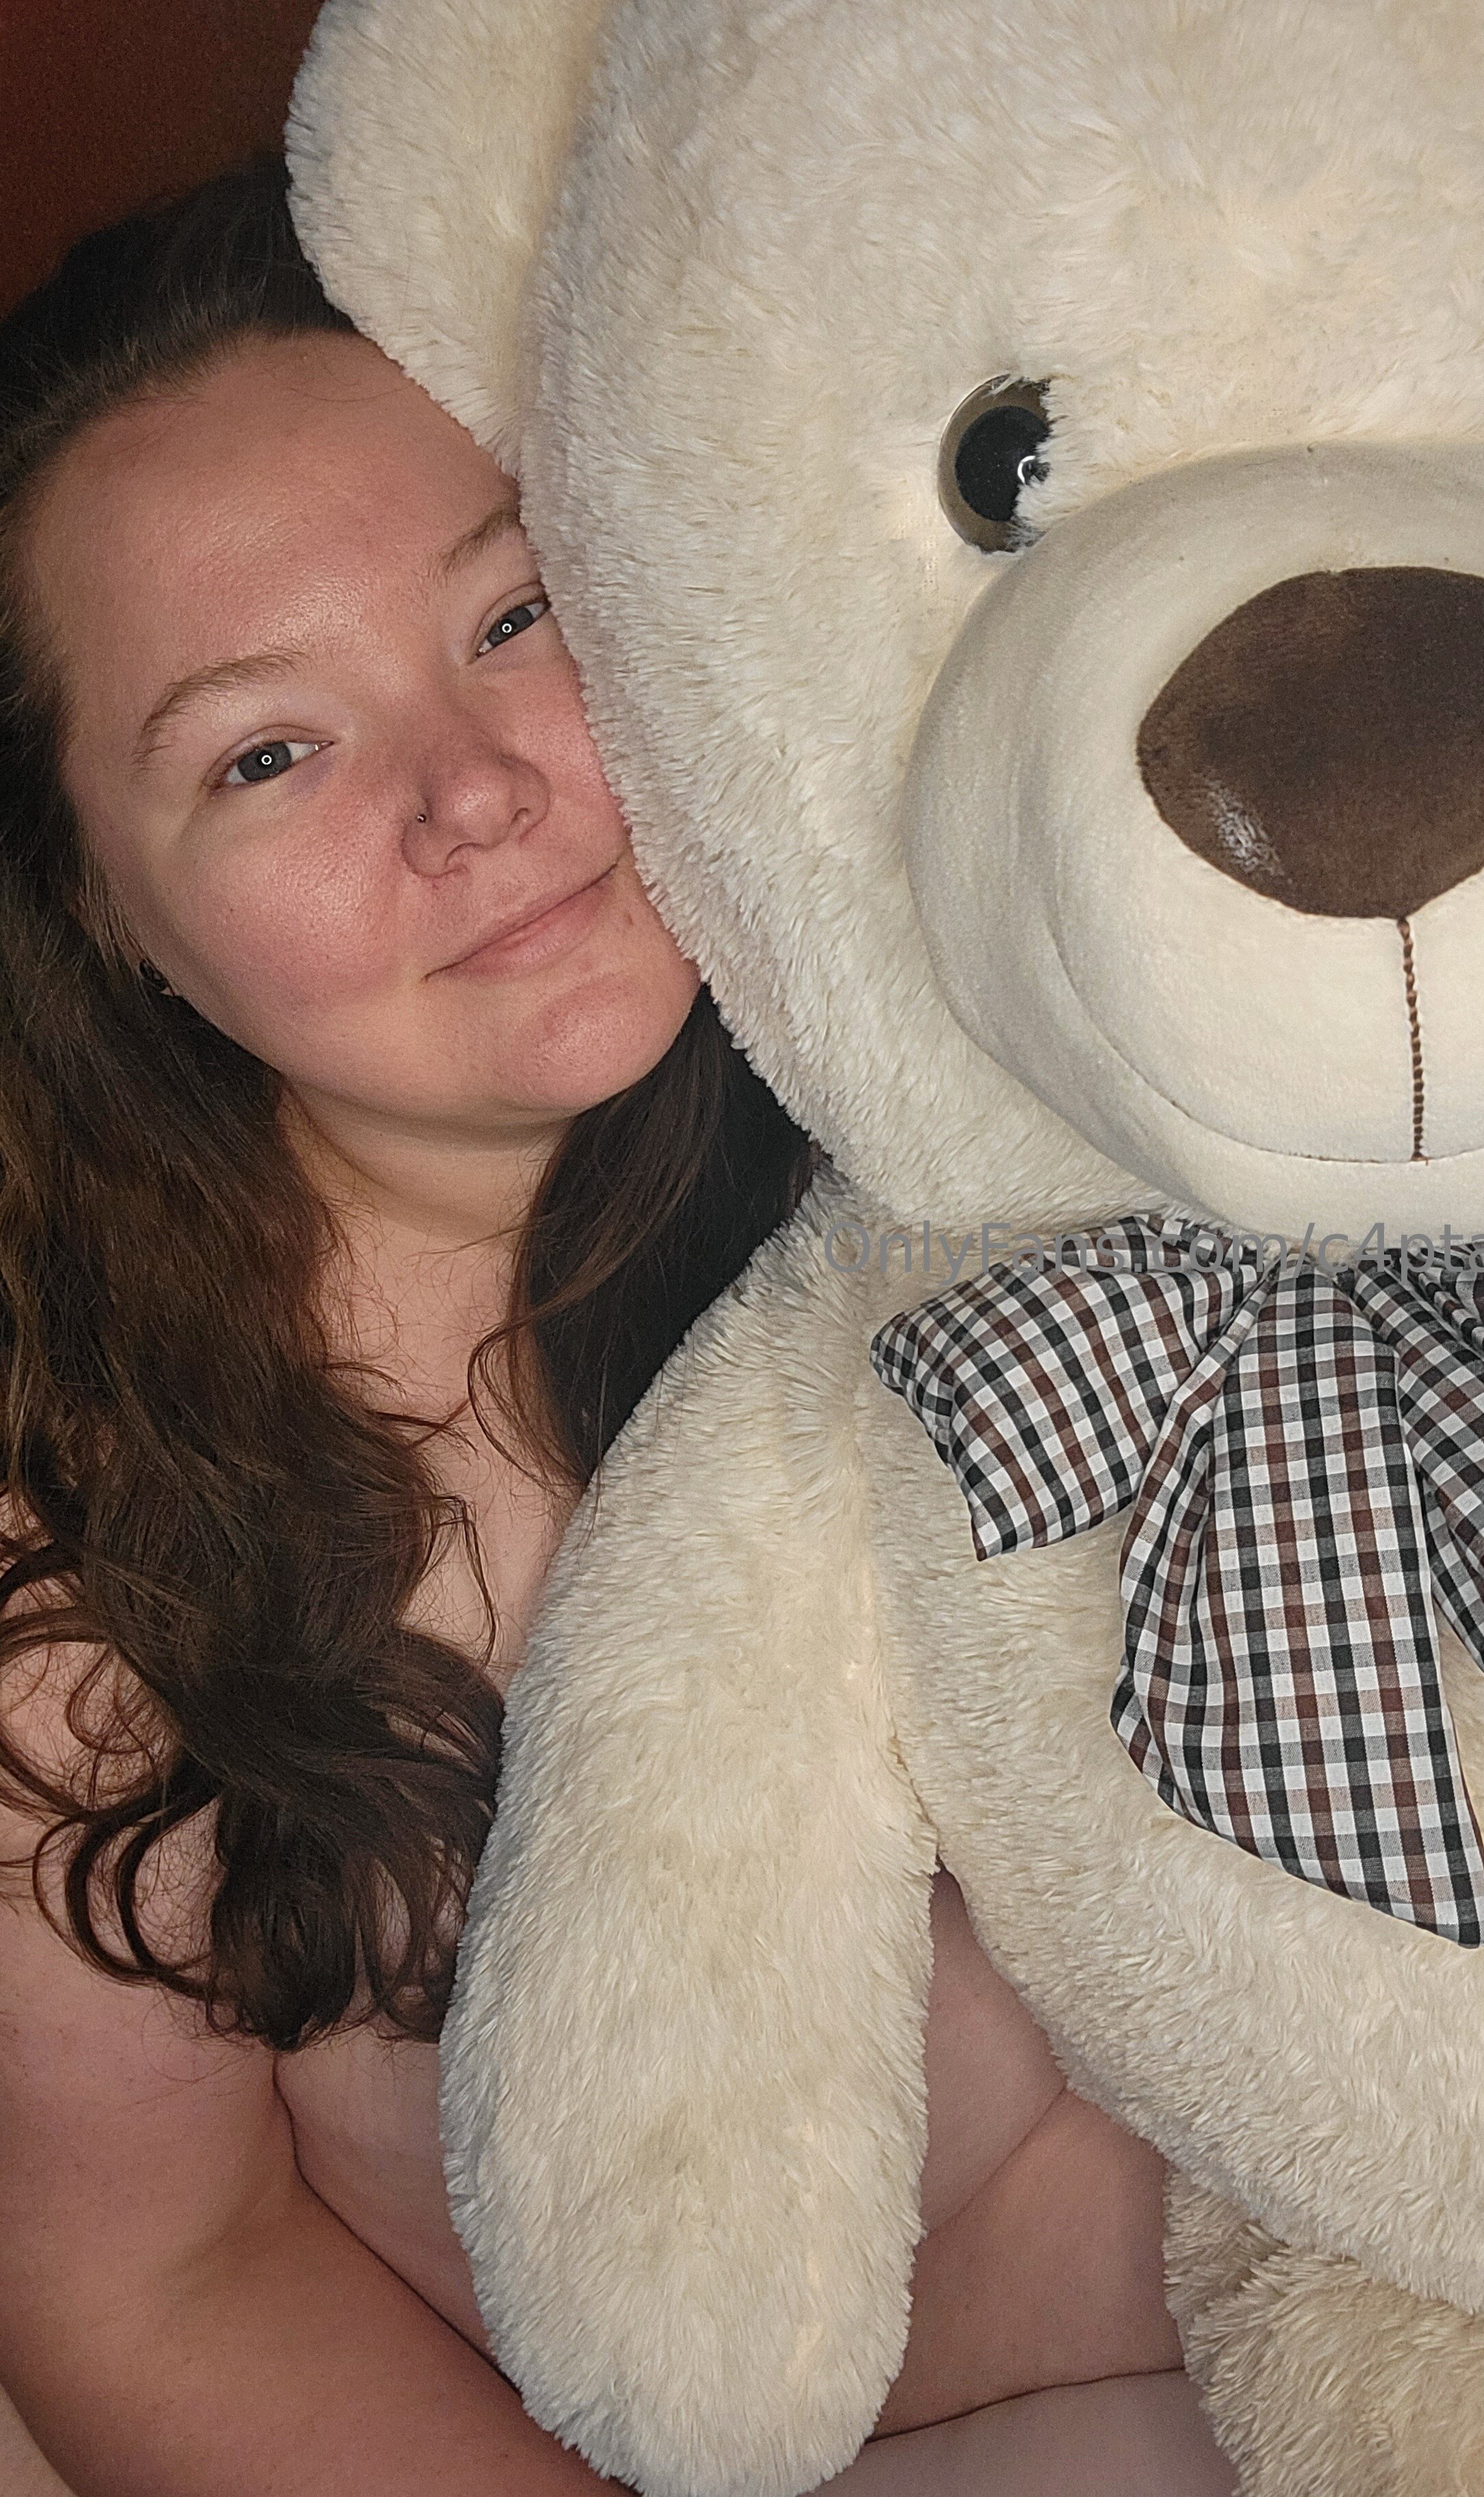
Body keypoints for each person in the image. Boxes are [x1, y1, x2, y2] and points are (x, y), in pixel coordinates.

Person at [0, 161, 1236, 2494]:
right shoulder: (96, 1570)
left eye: (515, 613)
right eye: (265, 752)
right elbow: (152, 2287)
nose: (473, 794)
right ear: (105, 914)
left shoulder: (996, 1054)